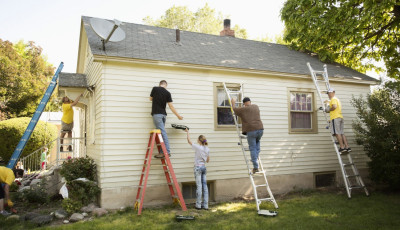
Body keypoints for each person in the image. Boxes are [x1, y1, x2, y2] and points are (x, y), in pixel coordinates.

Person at [150, 80, 183, 158]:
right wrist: (178, 116)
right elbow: (171, 106)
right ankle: (162, 152)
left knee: (163, 133)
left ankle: (167, 152)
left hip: (157, 114)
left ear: (160, 84)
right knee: (162, 133)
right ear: (166, 85)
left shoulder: (155, 89)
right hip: (163, 115)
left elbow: (150, 99)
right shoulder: (168, 93)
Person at [231, 97, 264, 174]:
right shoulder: (256, 106)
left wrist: (233, 102)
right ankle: (255, 157)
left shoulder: (243, 109)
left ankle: (256, 167)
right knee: (257, 143)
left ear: (244, 104)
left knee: (252, 148)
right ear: (250, 102)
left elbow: (234, 110)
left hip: (251, 130)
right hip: (260, 129)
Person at [184, 129, 210, 210]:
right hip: (203, 168)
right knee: (205, 187)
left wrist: (187, 132)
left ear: (199, 140)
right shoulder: (207, 149)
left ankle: (198, 205)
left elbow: (189, 141)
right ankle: (205, 205)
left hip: (198, 168)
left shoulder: (198, 147)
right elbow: (208, 161)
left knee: (199, 187)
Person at [326, 88, 351, 153]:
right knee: (341, 133)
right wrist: (328, 104)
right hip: (340, 117)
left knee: (337, 133)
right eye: (328, 93)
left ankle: (342, 147)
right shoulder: (337, 99)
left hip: (335, 118)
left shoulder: (333, 99)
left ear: (333, 92)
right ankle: (347, 147)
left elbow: (334, 106)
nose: (328, 94)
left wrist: (329, 110)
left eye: (329, 93)